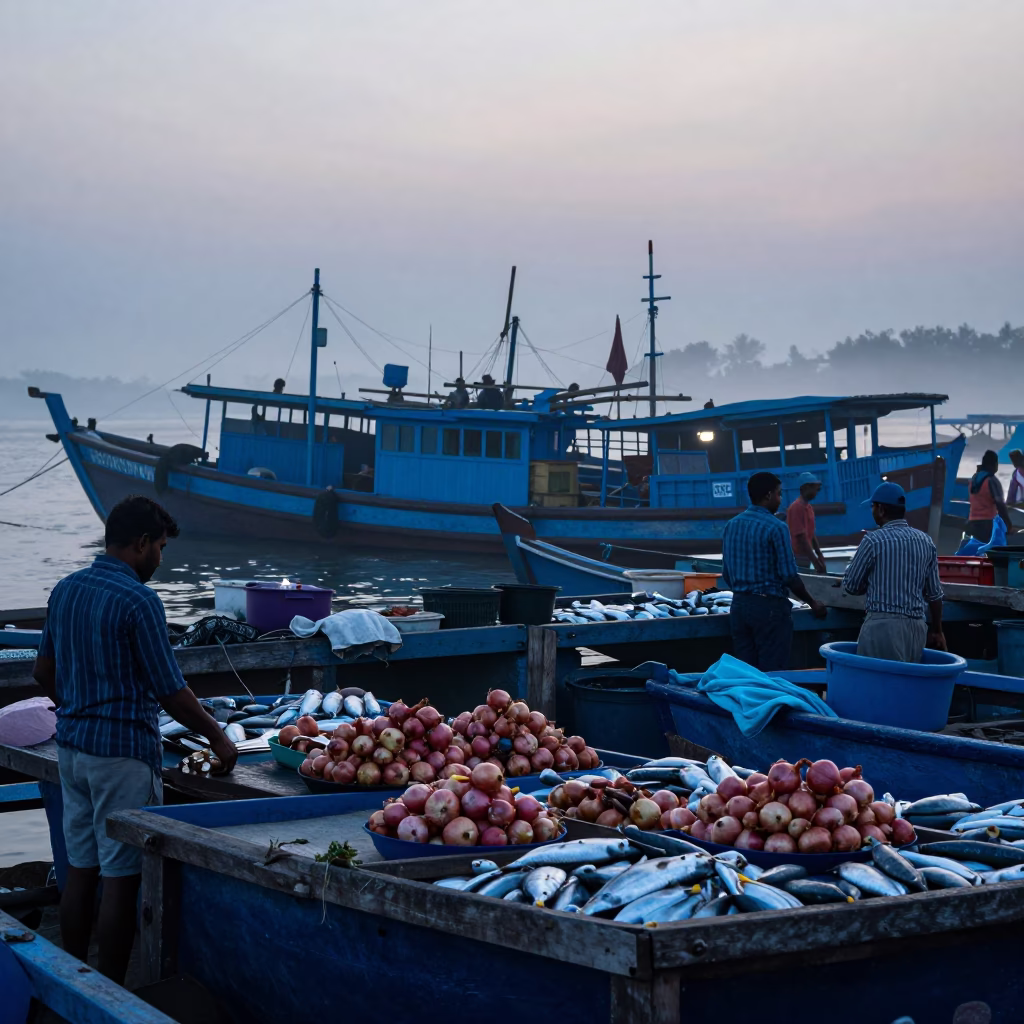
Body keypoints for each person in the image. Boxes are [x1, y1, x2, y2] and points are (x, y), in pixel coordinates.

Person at [31, 496, 238, 983]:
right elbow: (171, 691)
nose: (161, 560)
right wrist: (220, 738)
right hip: (122, 757)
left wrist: (82, 703)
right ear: (141, 543)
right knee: (121, 879)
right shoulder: (138, 600)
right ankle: (111, 992)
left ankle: (73, 986)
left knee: (80, 870)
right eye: (161, 548)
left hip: (73, 750)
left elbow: (43, 671)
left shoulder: (66, 589)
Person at [722, 471, 827, 671]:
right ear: (769, 495)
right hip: (769, 609)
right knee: (772, 674)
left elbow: (727, 573)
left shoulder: (731, 525)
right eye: (779, 494)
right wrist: (813, 603)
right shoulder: (776, 527)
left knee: (747, 674)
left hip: (739, 608)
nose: (780, 500)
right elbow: (789, 576)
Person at [842, 481, 945, 662]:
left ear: (881, 509)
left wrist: (869, 581)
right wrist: (937, 631)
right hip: (917, 628)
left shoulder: (873, 541)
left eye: (873, 507)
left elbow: (851, 586)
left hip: (882, 627)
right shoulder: (926, 541)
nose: (872, 511)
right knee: (907, 686)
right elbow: (935, 595)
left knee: (877, 684)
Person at [965, 450, 1012, 543]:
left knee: (976, 550)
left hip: (972, 522)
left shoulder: (973, 480)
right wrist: (1008, 523)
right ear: (993, 464)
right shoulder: (991, 480)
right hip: (988, 524)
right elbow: (1000, 505)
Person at [786, 471, 826, 574]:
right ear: (805, 488)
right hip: (797, 557)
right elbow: (801, 538)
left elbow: (811, 534)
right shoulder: (796, 508)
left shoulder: (808, 508)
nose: (816, 492)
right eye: (814, 489)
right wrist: (816, 562)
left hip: (805, 557)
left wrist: (819, 554)